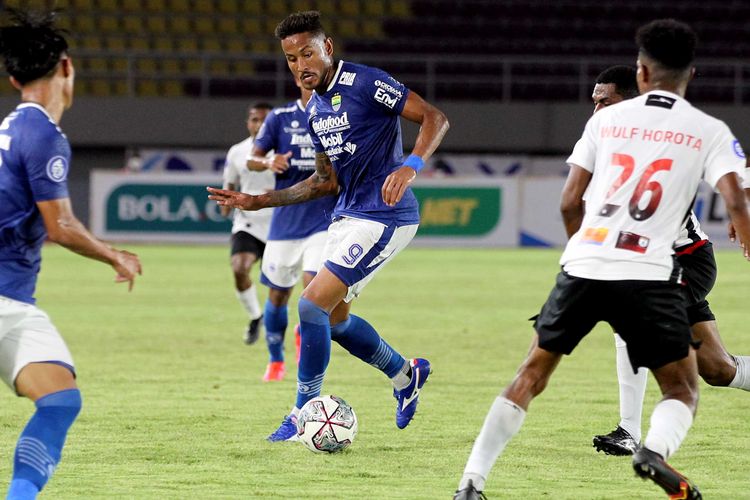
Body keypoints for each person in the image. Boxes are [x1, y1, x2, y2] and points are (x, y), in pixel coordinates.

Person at [454, 19, 749, 499]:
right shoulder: (704, 129)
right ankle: (649, 448)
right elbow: (735, 193)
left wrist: (578, 256)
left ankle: (470, 482)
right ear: (690, 74)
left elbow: (570, 202)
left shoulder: (604, 126)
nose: (595, 105)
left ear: (642, 73)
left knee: (531, 373)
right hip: (650, 269)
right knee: (693, 382)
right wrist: (743, 227)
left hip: (607, 262)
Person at [208, 10, 449, 441]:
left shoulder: (366, 83)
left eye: (307, 53)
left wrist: (410, 166)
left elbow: (435, 118)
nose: (301, 65)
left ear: (327, 48)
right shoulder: (316, 111)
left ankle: (301, 412)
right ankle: (405, 374)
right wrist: (257, 200)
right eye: (290, 58)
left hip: (385, 216)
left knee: (309, 306)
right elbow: (324, 181)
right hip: (348, 216)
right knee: (333, 322)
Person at [0, 9, 142, 499]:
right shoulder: (41, 134)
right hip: (3, 297)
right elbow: (59, 226)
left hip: (12, 302)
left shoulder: (11, 129)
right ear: (67, 67)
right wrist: (114, 256)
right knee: (58, 402)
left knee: (59, 400)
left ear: (16, 77)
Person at [588, 66, 750, 456]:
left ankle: (628, 431)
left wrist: (739, 210)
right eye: (593, 102)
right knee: (717, 369)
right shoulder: (600, 141)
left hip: (687, 259)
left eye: (604, 101)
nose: (595, 111)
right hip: (651, 261)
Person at [247, 79, 336, 382]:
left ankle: (310, 367)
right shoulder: (280, 118)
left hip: (323, 218)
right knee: (278, 295)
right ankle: (275, 359)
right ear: (299, 80)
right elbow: (252, 159)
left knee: (314, 293)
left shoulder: (338, 115)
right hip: (286, 221)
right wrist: (269, 162)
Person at [221, 102, 274, 346]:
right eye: (254, 119)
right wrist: (226, 201)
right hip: (248, 222)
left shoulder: (284, 150)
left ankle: (277, 330)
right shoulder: (237, 152)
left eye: (264, 120)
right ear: (248, 123)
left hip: (279, 224)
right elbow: (229, 183)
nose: (259, 124)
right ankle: (256, 317)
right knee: (240, 268)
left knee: (280, 286)